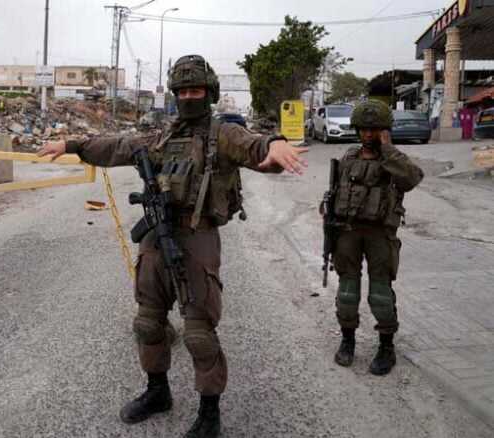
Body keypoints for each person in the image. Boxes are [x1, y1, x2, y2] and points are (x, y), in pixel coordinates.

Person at [38, 55, 308, 438]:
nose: (188, 97)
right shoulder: (161, 136)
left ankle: (209, 413)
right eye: (182, 91)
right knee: (147, 321)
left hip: (198, 237)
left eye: (196, 90)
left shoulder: (223, 135)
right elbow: (116, 146)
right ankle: (157, 391)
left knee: (198, 332)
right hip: (155, 235)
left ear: (209, 93)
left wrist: (274, 146)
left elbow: (255, 147)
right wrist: (71, 144)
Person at [329, 99, 424, 375]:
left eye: (374, 130)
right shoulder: (349, 157)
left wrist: (388, 149)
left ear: (384, 130)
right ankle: (348, 340)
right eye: (364, 129)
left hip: (380, 234)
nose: (368, 134)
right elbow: (336, 191)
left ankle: (386, 347)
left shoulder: (393, 161)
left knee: (380, 294)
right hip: (348, 232)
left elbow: (412, 178)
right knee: (347, 291)